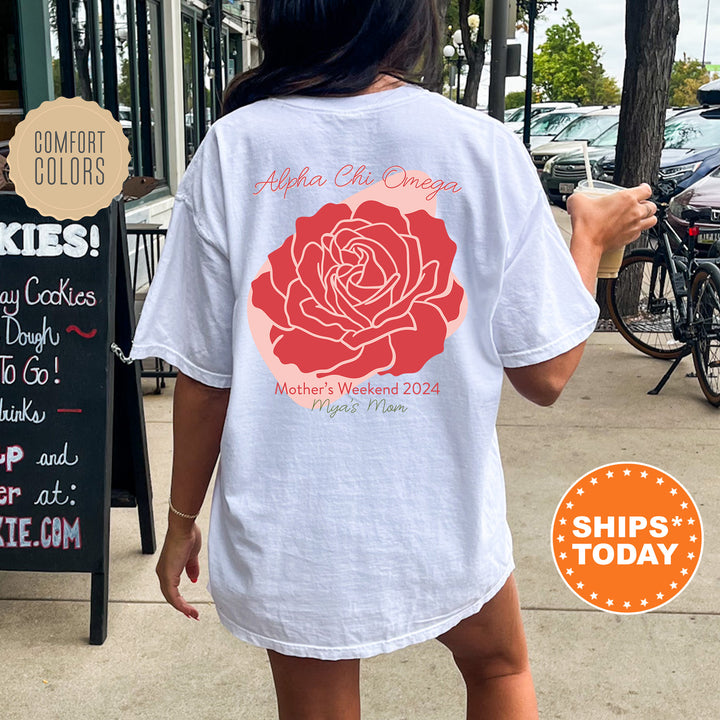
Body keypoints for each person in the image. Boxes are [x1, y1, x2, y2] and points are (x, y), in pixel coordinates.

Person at [130, 2, 657, 718]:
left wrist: (181, 519)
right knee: (499, 669)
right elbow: (547, 374)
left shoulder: (233, 148)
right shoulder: (479, 146)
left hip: (295, 527)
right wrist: (589, 242)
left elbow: (205, 380)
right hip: (439, 515)